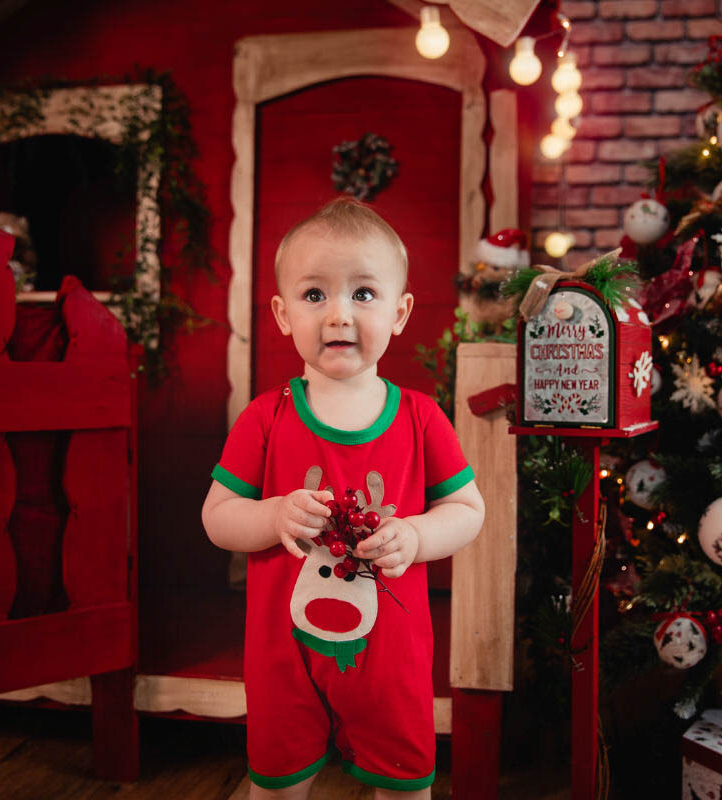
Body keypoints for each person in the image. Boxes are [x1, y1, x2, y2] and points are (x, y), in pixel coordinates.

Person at [202, 197, 485, 799]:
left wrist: (415, 534)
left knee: (405, 785)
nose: (338, 316)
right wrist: (274, 512)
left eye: (362, 294)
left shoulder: (420, 417)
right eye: (314, 295)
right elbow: (218, 519)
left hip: (393, 659)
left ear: (401, 311)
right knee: (277, 784)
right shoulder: (266, 418)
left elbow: (467, 512)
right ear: (281, 314)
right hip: (283, 657)